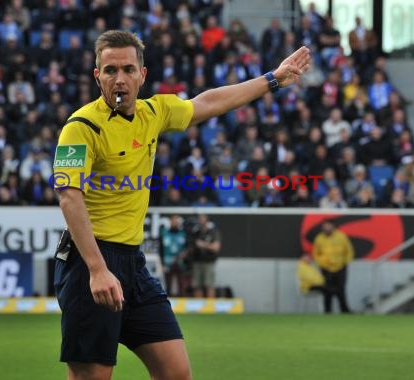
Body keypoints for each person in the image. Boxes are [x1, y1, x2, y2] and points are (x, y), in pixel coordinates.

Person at [52, 30, 310, 380]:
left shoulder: (154, 112)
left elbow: (209, 103)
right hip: (89, 263)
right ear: (97, 75)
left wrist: (273, 79)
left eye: (128, 69)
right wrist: (97, 269)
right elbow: (69, 196)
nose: (119, 79)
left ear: (142, 75)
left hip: (132, 263)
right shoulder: (79, 128)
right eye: (110, 70)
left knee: (176, 373)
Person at [312, 220, 354, 313]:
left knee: (341, 289)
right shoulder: (319, 238)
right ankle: (327, 310)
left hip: (340, 267)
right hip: (326, 268)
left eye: (328, 226)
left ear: (333, 226)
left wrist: (346, 262)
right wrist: (321, 263)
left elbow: (349, 250)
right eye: (325, 226)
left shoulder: (341, 236)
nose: (327, 228)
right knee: (327, 289)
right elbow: (316, 253)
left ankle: (345, 310)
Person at [190, 214, 222, 298]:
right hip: (197, 261)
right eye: (199, 219)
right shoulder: (196, 232)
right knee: (197, 285)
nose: (201, 221)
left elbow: (216, 247)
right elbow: (192, 246)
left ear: (207, 220)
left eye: (202, 219)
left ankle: (210, 307)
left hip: (209, 262)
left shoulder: (213, 232)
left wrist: (203, 245)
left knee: (209, 284)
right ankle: (198, 307)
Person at [159, 214, 188, 297]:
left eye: (177, 220)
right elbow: (160, 249)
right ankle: (168, 301)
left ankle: (182, 301)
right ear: (170, 221)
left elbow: (187, 247)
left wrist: (185, 254)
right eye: (173, 220)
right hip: (168, 261)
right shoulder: (164, 233)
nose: (175, 222)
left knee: (181, 283)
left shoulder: (183, 233)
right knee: (168, 283)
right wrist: (162, 263)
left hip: (180, 262)